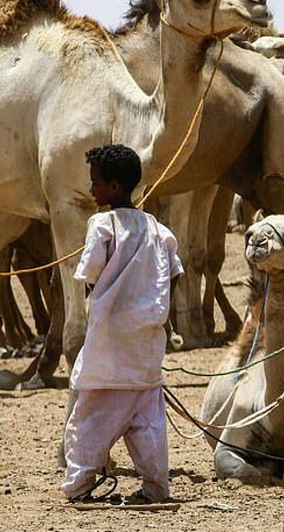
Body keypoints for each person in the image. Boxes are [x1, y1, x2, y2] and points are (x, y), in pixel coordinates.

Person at [61, 144, 183, 504]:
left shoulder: (102, 225)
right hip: (146, 341)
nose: (92, 189)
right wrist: (153, 308)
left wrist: (103, 292)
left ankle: (79, 485)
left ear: (114, 186)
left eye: (96, 182)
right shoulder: (158, 229)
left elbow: (90, 273)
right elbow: (175, 274)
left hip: (109, 343)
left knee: (91, 416)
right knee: (148, 419)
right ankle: (155, 487)